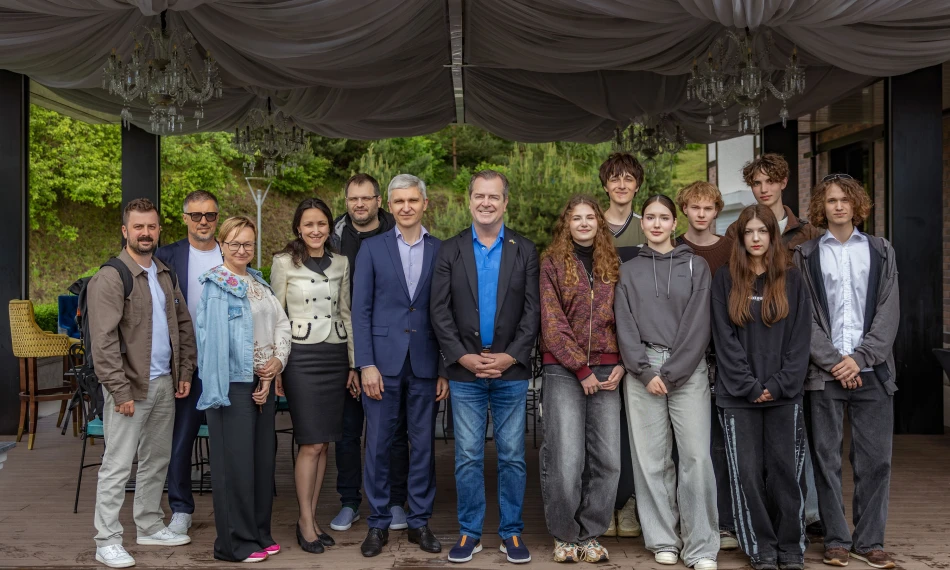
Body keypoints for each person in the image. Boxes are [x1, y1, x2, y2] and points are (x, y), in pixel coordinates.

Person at [431, 169, 540, 565]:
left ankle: (511, 532)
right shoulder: (450, 249)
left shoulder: (525, 250)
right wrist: (462, 356)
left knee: (512, 454)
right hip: (465, 371)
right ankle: (469, 533)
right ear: (469, 199)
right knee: (467, 456)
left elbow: (533, 312)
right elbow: (438, 311)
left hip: (510, 370)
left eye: (494, 197)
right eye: (479, 195)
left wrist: (511, 356)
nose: (486, 203)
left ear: (506, 202)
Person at [794, 175, 899, 570]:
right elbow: (803, 315)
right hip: (824, 373)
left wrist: (860, 357)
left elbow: (889, 310)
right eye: (831, 200)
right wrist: (835, 361)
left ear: (857, 205)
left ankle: (869, 540)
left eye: (845, 200)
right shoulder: (805, 255)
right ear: (822, 206)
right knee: (826, 458)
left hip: (873, 371)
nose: (839, 206)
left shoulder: (881, 250)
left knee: (876, 460)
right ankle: (837, 538)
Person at [88, 198, 197, 569]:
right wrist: (119, 391)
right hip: (130, 387)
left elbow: (182, 325)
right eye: (138, 227)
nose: (145, 233)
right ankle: (106, 540)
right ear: (125, 231)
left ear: (159, 230)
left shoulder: (164, 273)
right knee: (117, 466)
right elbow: (102, 342)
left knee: (156, 461)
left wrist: (183, 372)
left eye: (151, 226)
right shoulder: (111, 276)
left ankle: (149, 524)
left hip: (164, 383)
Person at [613, 194, 718, 570]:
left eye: (664, 218)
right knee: (651, 460)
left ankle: (701, 546)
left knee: (695, 457)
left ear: (676, 223)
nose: (657, 224)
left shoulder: (696, 266)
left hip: (686, 369)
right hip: (643, 368)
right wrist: (644, 371)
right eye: (651, 218)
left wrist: (672, 373)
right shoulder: (628, 270)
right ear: (643, 224)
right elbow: (623, 323)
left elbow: (698, 323)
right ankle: (663, 539)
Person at [725, 152, 823, 534]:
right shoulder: (738, 231)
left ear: (784, 183)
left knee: (801, 443)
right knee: (760, 451)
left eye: (770, 181)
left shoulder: (808, 233)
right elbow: (732, 283)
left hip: (799, 351)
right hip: (755, 351)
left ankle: (810, 516)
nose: (763, 189)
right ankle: (765, 520)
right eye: (756, 183)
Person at [352, 174, 449, 557]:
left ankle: (419, 522)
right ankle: (376, 524)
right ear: (388, 207)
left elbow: (447, 313)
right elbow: (361, 311)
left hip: (425, 362)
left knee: (423, 445)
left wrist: (444, 367)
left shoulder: (442, 250)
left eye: (413, 200)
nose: (406, 207)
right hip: (383, 364)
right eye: (398, 202)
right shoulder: (372, 249)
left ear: (424, 204)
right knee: (376, 445)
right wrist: (366, 365)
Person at [711, 205, 812, 570]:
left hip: (785, 396)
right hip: (738, 396)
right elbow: (724, 339)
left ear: (773, 236)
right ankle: (761, 547)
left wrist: (780, 384)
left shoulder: (793, 280)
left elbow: (801, 340)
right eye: (748, 232)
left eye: (762, 231)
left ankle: (791, 547)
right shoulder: (725, 279)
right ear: (739, 238)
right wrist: (750, 385)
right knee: (748, 474)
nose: (755, 238)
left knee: (786, 470)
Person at [195, 216, 291, 563]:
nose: (241, 250)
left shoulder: (257, 282)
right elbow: (216, 345)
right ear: (221, 244)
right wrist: (257, 374)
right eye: (234, 243)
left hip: (262, 381)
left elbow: (281, 323)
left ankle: (259, 534)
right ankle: (234, 543)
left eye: (248, 244)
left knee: (261, 462)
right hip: (231, 385)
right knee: (234, 466)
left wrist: (276, 364)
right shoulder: (216, 286)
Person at [538, 195, 623, 563]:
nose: (585, 223)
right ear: (566, 224)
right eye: (577, 218)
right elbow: (551, 322)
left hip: (610, 370)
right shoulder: (552, 263)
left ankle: (591, 534)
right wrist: (581, 368)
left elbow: (627, 316)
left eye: (591, 217)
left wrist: (623, 361)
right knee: (565, 458)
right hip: (563, 370)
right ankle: (564, 535)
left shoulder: (613, 264)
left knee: (608, 460)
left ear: (600, 224)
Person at [270, 198, 355, 554]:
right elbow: (275, 315)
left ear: (329, 227)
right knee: (310, 442)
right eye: (309, 225)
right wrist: (276, 363)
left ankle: (312, 518)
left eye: (322, 224)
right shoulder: (282, 262)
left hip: (334, 355)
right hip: (300, 358)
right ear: (298, 228)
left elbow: (346, 313)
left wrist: (353, 364)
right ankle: (304, 521)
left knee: (324, 444)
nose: (316, 230)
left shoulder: (341, 262)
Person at [327, 173, 410, 533]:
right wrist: (354, 361)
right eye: (352, 199)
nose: (359, 204)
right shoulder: (331, 238)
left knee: (393, 432)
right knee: (347, 432)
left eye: (366, 198)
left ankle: (394, 501)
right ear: (346, 202)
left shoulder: (398, 235)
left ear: (379, 201)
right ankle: (349, 501)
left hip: (391, 349)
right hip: (342, 344)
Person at [674, 181, 738, 551]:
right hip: (686, 356)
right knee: (687, 447)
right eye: (694, 207)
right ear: (685, 209)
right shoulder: (676, 247)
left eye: (708, 208)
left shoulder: (731, 249)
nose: (701, 214)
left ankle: (724, 523)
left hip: (725, 356)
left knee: (720, 442)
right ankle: (688, 521)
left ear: (717, 211)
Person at [154, 190, 222, 537]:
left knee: (228, 441)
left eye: (210, 215)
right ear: (185, 219)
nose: (203, 222)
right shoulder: (166, 256)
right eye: (196, 216)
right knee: (179, 440)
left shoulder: (233, 253)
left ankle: (232, 509)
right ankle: (180, 509)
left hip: (225, 365)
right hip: (185, 365)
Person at [599, 152, 644, 539]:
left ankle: (628, 504)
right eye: (615, 178)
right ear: (605, 185)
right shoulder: (588, 225)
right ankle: (603, 503)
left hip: (637, 341)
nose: (622, 184)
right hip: (596, 343)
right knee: (599, 428)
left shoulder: (649, 227)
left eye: (629, 178)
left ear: (637, 185)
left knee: (631, 428)